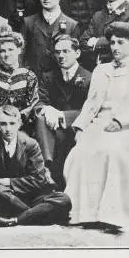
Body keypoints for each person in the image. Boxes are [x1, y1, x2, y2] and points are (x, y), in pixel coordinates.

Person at [64, 22, 129, 232]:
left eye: (120, 42)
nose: (114, 47)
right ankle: (85, 212)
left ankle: (113, 213)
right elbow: (92, 103)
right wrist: (80, 127)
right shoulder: (102, 70)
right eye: (112, 42)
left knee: (111, 149)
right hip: (100, 124)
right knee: (81, 151)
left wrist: (120, 122)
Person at [0, 105, 71, 227]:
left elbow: (39, 180)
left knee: (63, 199)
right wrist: (5, 186)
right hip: (7, 197)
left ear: (19, 124)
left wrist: (8, 181)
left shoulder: (30, 144)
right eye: (3, 124)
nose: (8, 129)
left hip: (31, 196)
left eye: (12, 123)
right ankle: (32, 214)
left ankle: (15, 220)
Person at [34, 35, 91, 187]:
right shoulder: (48, 76)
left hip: (78, 128)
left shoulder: (89, 78)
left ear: (77, 53)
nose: (60, 56)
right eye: (57, 52)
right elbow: (39, 102)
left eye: (66, 51)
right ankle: (47, 167)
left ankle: (49, 170)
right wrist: (47, 109)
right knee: (40, 116)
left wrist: (61, 115)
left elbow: (91, 110)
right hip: (53, 129)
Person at [0, 28, 39, 138]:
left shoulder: (29, 76)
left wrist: (16, 124)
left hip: (22, 130)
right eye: (2, 51)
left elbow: (32, 105)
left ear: (19, 50)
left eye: (11, 49)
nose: (7, 54)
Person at [22, 0, 79, 75]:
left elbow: (74, 59)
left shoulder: (71, 25)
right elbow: (21, 54)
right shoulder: (28, 22)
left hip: (60, 80)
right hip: (34, 78)